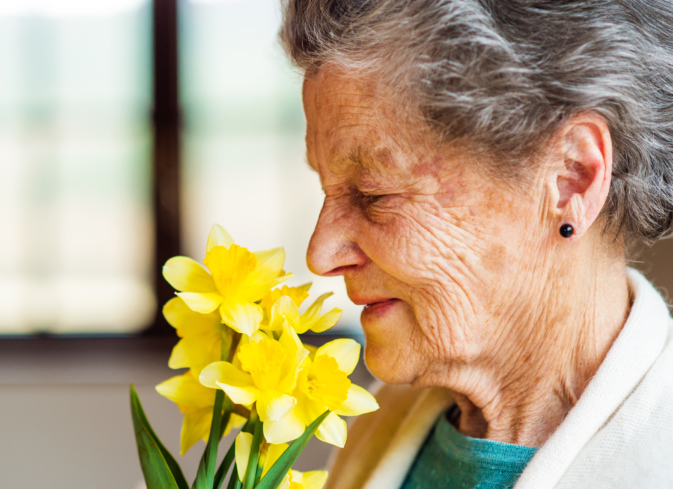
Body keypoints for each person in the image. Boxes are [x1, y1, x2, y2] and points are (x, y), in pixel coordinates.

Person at [279, 1, 673, 487]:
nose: (320, 254)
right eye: (327, 188)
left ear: (571, 177)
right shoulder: (375, 429)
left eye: (374, 193)